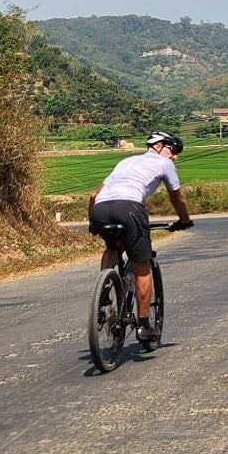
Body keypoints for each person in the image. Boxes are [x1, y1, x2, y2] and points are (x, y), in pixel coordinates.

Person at [87, 132, 194, 343]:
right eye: (173, 150)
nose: (175, 157)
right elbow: (176, 196)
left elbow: (93, 195)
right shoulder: (164, 164)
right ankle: (144, 326)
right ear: (160, 146)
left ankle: (103, 294)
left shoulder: (125, 161)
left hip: (100, 209)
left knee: (112, 248)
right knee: (141, 265)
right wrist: (185, 220)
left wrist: (92, 222)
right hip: (129, 208)